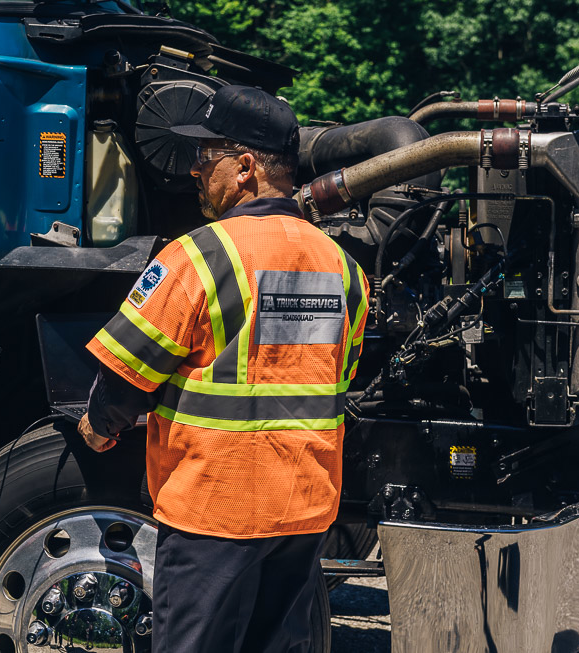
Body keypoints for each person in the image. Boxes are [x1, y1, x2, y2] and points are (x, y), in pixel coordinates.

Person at [77, 85, 369, 653]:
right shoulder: (344, 269)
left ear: (244, 167)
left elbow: (126, 379)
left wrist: (99, 425)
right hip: (304, 511)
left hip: (216, 511)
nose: (193, 171)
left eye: (205, 157)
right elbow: (327, 373)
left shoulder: (199, 256)